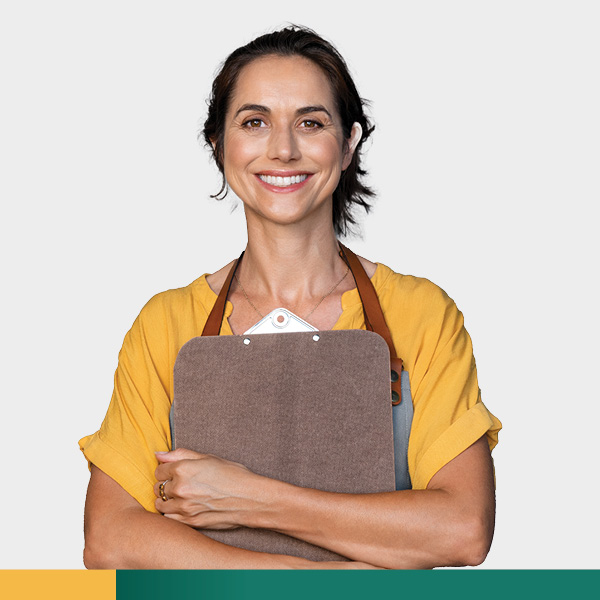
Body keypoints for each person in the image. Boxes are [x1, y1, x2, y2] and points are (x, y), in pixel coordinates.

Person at [80, 25, 502, 569]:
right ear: (219, 144)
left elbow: (462, 530)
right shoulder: (165, 324)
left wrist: (253, 498)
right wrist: (308, 580)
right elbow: (110, 538)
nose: (283, 149)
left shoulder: (420, 315)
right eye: (254, 122)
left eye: (311, 122)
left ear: (347, 144)